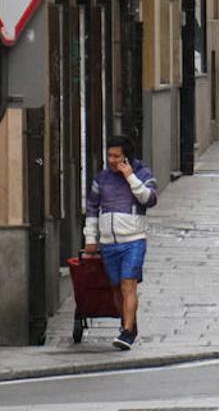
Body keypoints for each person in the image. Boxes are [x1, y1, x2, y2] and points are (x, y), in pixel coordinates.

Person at [83, 135, 158, 351]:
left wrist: (130, 177)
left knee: (128, 284)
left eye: (116, 156)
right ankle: (129, 324)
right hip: (108, 242)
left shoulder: (142, 174)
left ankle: (126, 332)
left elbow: (150, 199)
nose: (112, 160)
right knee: (116, 288)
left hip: (133, 239)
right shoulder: (102, 179)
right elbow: (92, 208)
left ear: (127, 157)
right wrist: (90, 238)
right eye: (109, 155)